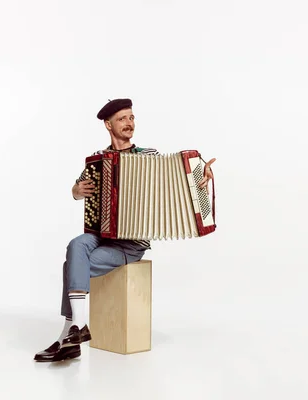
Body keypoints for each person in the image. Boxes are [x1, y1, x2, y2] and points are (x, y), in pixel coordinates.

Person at [34, 98, 215, 362]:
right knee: (77, 245)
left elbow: (178, 186)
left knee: (72, 265)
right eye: (122, 119)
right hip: (99, 235)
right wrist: (76, 191)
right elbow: (78, 187)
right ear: (109, 125)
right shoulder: (98, 161)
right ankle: (76, 330)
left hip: (130, 245)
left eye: (131, 118)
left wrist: (201, 180)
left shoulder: (149, 157)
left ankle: (68, 336)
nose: (129, 123)